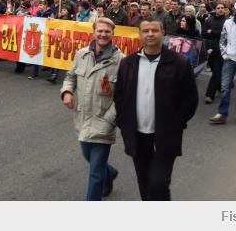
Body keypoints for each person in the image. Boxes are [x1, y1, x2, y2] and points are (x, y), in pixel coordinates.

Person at [113, 17, 198, 201]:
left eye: (154, 30)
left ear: (163, 33)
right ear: (139, 34)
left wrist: (176, 124)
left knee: (158, 184)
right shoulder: (128, 63)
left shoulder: (179, 62)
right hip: (137, 135)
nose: (150, 34)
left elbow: (190, 99)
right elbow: (119, 96)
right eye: (145, 31)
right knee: (143, 182)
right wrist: (123, 122)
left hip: (165, 136)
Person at [60, 17, 124, 201]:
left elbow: (123, 96)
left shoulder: (121, 61)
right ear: (94, 32)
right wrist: (67, 92)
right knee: (89, 156)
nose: (103, 34)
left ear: (113, 34)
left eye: (107, 31)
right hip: (83, 119)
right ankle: (110, 172)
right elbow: (70, 77)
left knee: (95, 173)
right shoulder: (81, 54)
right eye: (100, 31)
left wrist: (109, 119)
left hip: (105, 121)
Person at [202, 3, 226, 104]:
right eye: (218, 8)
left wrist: (212, 32)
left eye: (222, 8)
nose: (220, 9)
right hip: (210, 50)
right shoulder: (209, 20)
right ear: (215, 10)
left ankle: (209, 95)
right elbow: (203, 34)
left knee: (216, 71)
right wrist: (209, 46)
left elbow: (224, 36)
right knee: (215, 70)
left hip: (221, 50)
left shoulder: (227, 22)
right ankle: (219, 87)